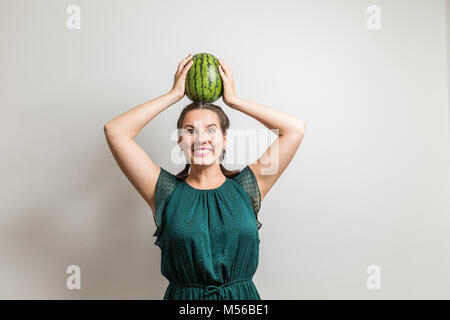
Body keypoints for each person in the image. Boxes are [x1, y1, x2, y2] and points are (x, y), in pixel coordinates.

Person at [103, 54, 306, 299]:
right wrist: (173, 95)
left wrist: (235, 101)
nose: (201, 139)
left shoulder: (248, 187)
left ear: (224, 140)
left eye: (211, 130)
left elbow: (294, 130)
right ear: (179, 141)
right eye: (190, 131)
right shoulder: (166, 193)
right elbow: (116, 132)